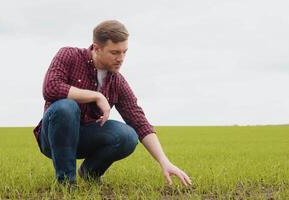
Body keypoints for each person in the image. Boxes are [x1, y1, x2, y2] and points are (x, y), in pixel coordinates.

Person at [33, 20, 192, 187]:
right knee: (66, 107)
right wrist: (96, 96)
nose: (121, 58)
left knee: (128, 136)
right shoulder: (69, 55)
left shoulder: (117, 82)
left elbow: (139, 121)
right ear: (96, 48)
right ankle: (66, 183)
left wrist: (164, 162)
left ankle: (90, 173)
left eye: (124, 52)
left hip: (86, 137)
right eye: (115, 52)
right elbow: (51, 88)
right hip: (54, 138)